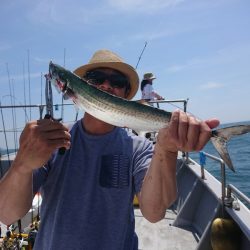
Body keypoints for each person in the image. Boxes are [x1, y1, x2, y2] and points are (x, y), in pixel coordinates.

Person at [0, 49, 219, 250]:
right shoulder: (53, 141)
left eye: (116, 81)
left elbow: (153, 214)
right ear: (79, 86)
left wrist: (167, 149)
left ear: (125, 93)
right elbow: (6, 214)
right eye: (95, 79)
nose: (106, 85)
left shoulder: (138, 148)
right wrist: (22, 164)